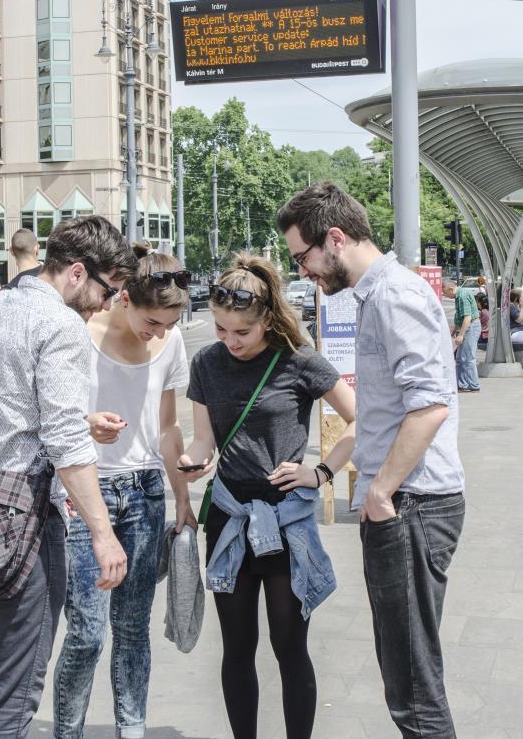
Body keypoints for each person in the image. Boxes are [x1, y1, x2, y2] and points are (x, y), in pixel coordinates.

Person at [278, 183, 465, 739]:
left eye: (302, 257)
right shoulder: (377, 295)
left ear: (334, 238)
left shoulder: (392, 296)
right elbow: (385, 413)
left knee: (412, 687)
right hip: (407, 503)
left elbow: (428, 405)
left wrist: (381, 491)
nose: (304, 271)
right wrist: (335, 474)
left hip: (411, 504)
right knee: (405, 676)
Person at [0, 215, 137, 739]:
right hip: (22, 526)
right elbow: (67, 448)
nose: (108, 304)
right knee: (15, 692)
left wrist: (79, 419)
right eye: (108, 290)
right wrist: (103, 534)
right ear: (77, 273)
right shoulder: (61, 325)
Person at [178, 253, 355, 739]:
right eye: (220, 330)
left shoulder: (299, 360)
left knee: (289, 645)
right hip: (230, 520)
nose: (229, 342)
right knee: (236, 647)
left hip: (285, 524)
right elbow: (202, 438)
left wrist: (320, 472)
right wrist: (194, 461)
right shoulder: (206, 364)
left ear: (268, 320)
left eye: (241, 332)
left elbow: (363, 419)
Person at [53, 247, 196, 739]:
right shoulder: (79, 333)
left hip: (145, 495)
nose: (159, 332)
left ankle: (131, 728)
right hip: (84, 497)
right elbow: (54, 417)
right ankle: (67, 731)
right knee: (87, 633)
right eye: (152, 320)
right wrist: (86, 425)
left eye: (168, 323)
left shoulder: (171, 343)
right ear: (124, 299)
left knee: (133, 630)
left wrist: (182, 498)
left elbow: (168, 427)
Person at [441, 278, 481, 392]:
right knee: (460, 358)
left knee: (468, 357)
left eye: (444, 292)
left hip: (471, 327)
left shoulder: (462, 295)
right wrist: (455, 330)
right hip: (468, 326)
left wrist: (461, 335)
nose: (444, 295)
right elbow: (461, 316)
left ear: (450, 289)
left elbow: (467, 317)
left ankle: (473, 384)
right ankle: (462, 384)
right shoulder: (459, 295)